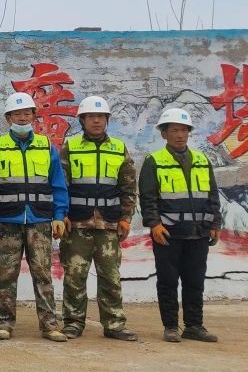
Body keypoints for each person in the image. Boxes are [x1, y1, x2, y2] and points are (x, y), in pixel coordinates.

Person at [0, 92, 69, 342]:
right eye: (16, 114)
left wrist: (59, 215)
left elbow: (58, 184)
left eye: (26, 113)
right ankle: (4, 323)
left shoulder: (46, 146)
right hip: (6, 222)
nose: (22, 118)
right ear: (8, 118)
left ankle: (50, 325)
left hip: (40, 221)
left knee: (43, 274)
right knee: (6, 275)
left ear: (34, 116)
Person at [139, 107, 222, 343]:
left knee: (195, 282)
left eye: (184, 130)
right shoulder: (154, 161)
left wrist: (214, 222)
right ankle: (171, 326)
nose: (180, 135)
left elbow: (212, 195)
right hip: (168, 233)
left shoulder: (202, 159)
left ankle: (194, 326)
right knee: (167, 282)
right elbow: (147, 197)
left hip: (198, 232)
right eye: (174, 130)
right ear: (164, 134)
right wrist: (154, 224)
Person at [58, 96, 138, 341]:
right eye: (91, 116)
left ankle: (114, 324)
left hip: (109, 224)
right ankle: (73, 323)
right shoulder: (70, 147)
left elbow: (128, 187)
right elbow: (60, 184)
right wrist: (61, 215)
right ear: (82, 120)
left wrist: (126, 218)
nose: (96, 120)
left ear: (107, 120)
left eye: (100, 116)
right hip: (76, 224)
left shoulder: (119, 148)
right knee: (74, 276)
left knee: (110, 277)